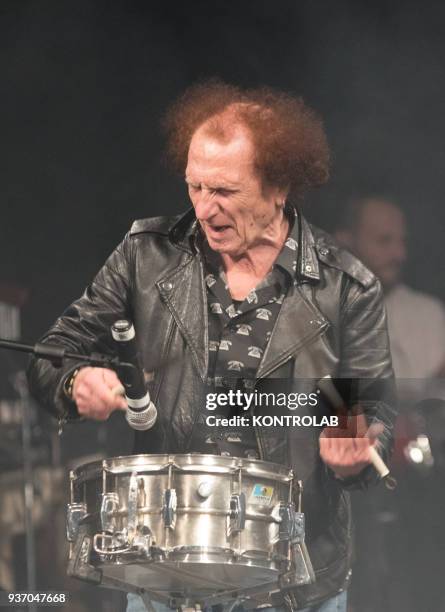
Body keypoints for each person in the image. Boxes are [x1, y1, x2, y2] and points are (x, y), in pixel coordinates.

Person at [28, 81, 395, 612]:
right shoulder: (145, 256)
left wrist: (354, 453)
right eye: (195, 187)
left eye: (224, 191)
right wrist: (72, 381)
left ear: (278, 187)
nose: (204, 209)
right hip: (162, 570)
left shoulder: (347, 287)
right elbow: (53, 354)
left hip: (295, 583)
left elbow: (370, 413)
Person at [335, 196, 445, 383]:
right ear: (347, 241)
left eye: (402, 242)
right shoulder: (315, 311)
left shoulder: (429, 313)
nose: (400, 255)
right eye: (384, 240)